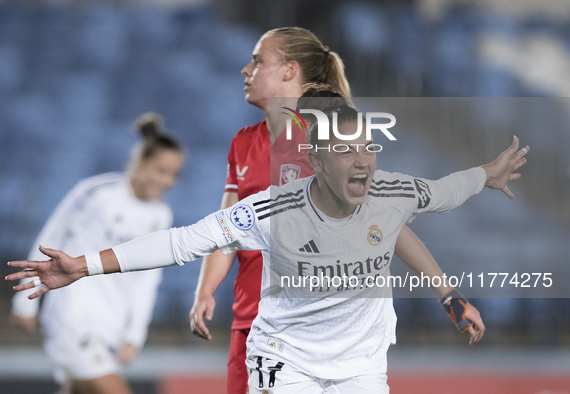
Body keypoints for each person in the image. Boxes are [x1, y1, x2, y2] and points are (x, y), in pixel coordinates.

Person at [6, 105, 529, 393]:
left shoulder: (392, 192)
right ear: (318, 162)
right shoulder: (271, 210)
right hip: (287, 362)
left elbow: (446, 190)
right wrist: (86, 265)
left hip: (362, 366)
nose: (364, 160)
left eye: (369, 146)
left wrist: (487, 176)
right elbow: (183, 242)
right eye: (346, 151)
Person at [189, 27, 484, 393]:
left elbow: (386, 226)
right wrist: (206, 290)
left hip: (318, 334)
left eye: (257, 61)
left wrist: (447, 294)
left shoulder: (331, 146)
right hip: (252, 323)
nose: (245, 70)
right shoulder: (243, 143)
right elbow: (227, 230)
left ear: (288, 70)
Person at [9, 113, 184, 394]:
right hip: (73, 318)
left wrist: (134, 334)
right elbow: (50, 239)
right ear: (141, 162)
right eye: (162, 170)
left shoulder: (161, 215)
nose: (168, 181)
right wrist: (24, 303)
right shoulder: (97, 193)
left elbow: (147, 280)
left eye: (175, 174)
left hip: (109, 328)